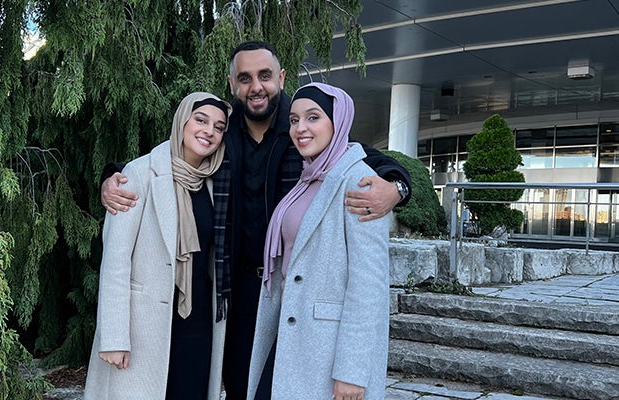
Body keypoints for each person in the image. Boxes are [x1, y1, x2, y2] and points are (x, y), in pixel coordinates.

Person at [100, 41, 411, 399]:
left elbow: (366, 159)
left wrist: (397, 188)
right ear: (233, 85)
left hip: (292, 287)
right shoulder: (220, 132)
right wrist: (112, 176)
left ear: (280, 78)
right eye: (245, 78)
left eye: (264, 76)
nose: (256, 86)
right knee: (239, 384)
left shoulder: (303, 128)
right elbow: (169, 159)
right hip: (237, 290)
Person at [84, 92, 232, 400]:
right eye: (201, 120)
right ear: (182, 121)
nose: (209, 131)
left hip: (198, 320)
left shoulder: (214, 180)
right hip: (144, 324)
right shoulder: (138, 174)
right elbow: (116, 260)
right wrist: (113, 337)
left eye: (219, 127)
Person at [247, 83, 390, 400]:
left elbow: (369, 285)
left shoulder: (359, 181)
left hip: (326, 350)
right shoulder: (309, 175)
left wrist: (351, 371)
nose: (301, 128)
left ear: (337, 122)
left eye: (313, 117)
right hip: (292, 335)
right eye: (295, 119)